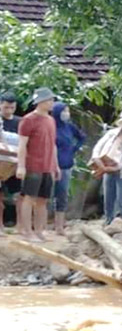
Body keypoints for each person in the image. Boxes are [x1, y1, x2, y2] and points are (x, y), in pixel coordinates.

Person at [15, 88, 59, 241]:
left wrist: (56, 165)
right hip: (33, 165)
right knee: (29, 198)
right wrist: (21, 166)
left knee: (43, 200)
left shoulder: (51, 120)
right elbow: (22, 145)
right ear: (41, 102)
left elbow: (53, 144)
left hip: (48, 166)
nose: (52, 103)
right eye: (50, 100)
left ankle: (40, 230)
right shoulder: (28, 120)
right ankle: (27, 231)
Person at [90, 110, 122, 224]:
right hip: (106, 167)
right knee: (108, 197)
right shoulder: (112, 133)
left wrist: (116, 167)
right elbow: (99, 146)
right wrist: (96, 159)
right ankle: (108, 221)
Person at [50, 102, 86, 235]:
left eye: (68, 111)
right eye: (64, 111)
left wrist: (73, 149)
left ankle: (59, 226)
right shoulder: (51, 126)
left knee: (62, 195)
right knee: (46, 195)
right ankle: (44, 224)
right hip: (50, 166)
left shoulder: (70, 127)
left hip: (66, 166)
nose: (67, 114)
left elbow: (82, 137)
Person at [1, 92, 22, 227]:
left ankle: (20, 224)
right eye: (6, 107)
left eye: (12, 108)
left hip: (16, 164)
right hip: (1, 163)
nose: (9, 110)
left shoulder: (20, 122)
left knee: (19, 195)